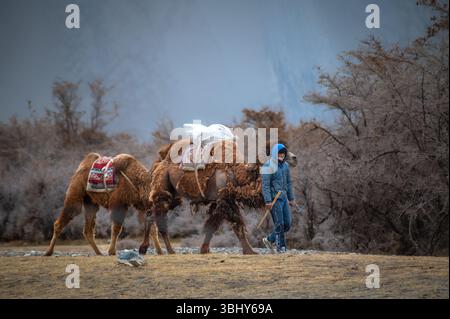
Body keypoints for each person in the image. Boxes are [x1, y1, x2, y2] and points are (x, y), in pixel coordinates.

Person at [261, 143, 295, 253]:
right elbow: (265, 185)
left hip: (284, 198)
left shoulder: (285, 166)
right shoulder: (267, 166)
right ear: (275, 153)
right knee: (279, 224)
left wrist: (291, 198)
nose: (281, 155)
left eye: (283, 153)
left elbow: (289, 183)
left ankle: (269, 239)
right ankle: (281, 248)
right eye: (279, 153)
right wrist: (268, 201)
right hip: (274, 200)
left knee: (287, 224)